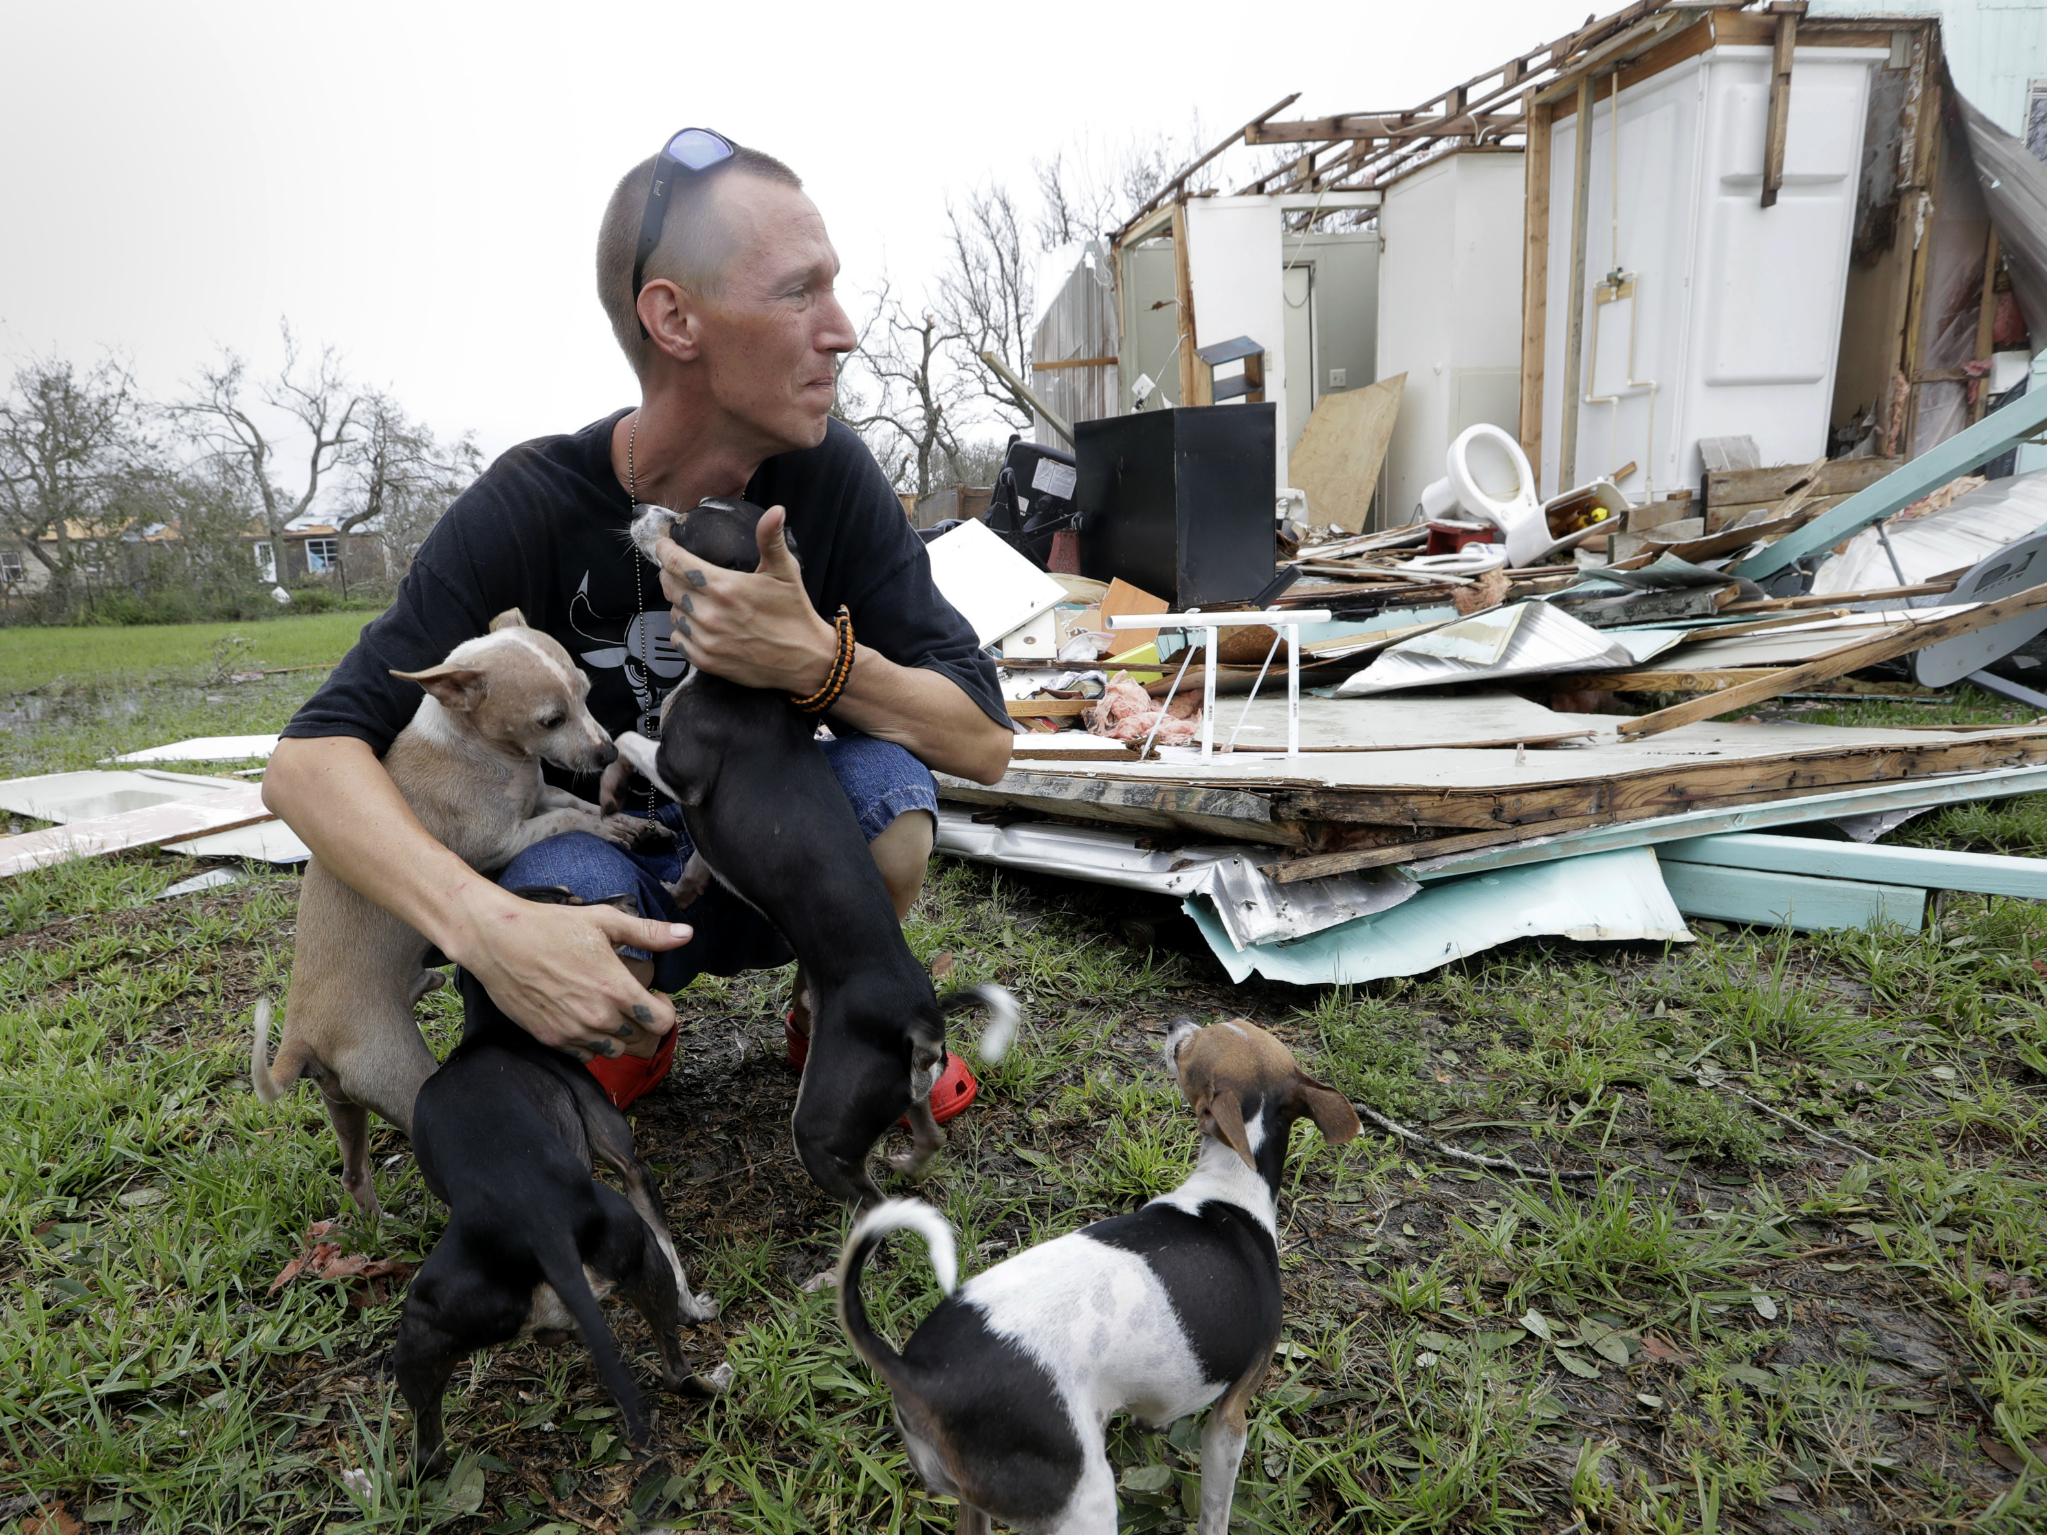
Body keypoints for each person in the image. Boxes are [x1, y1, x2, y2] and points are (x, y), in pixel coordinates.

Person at [262, 128, 1013, 1102]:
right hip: (594, 848)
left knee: (889, 793)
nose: (842, 329)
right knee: (549, 882)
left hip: (762, 834)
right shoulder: (529, 499)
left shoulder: (832, 477)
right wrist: (475, 923)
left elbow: (985, 743)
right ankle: (617, 1019)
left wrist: (819, 663)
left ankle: (833, 1002)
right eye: (798, 291)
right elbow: (305, 764)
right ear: (673, 318)